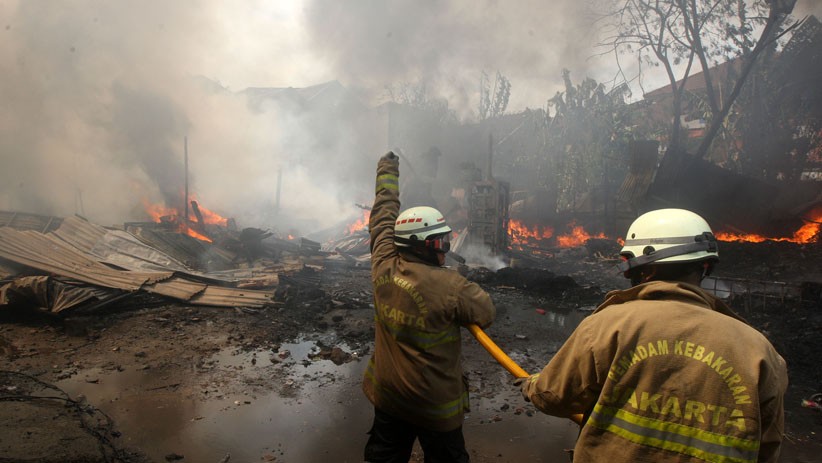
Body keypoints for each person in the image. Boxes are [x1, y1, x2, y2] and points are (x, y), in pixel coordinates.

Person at [518, 208, 788, 462]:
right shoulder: (759, 351)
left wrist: (532, 386)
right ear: (705, 267)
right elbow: (766, 447)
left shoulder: (608, 325)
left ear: (643, 267)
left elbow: (554, 397)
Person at [363, 151, 496, 463]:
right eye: (442, 243)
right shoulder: (451, 287)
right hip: (435, 409)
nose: (446, 250)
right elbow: (486, 312)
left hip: (389, 397)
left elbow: (383, 214)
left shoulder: (383, 262)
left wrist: (387, 170)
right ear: (428, 246)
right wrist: (456, 280)